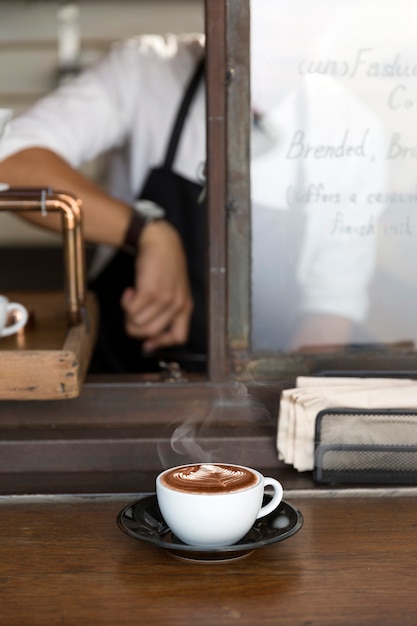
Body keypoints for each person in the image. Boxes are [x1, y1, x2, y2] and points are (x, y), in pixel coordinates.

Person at [0, 4, 387, 371]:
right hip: (125, 372)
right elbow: (9, 164)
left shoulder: (352, 129)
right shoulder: (143, 68)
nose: (287, 29)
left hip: (261, 389)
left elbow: (331, 306)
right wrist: (147, 233)